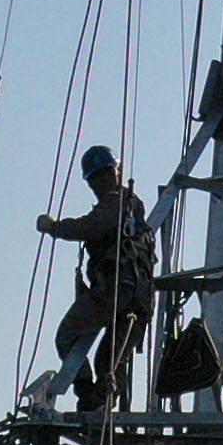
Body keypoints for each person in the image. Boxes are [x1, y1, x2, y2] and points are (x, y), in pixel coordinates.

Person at [38, 146, 155, 414]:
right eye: (97, 177)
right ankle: (100, 402)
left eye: (107, 173)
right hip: (139, 297)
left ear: (118, 172)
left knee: (67, 336)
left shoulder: (119, 203)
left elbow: (89, 227)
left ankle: (89, 393)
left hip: (117, 291)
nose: (103, 180)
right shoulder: (130, 207)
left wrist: (53, 227)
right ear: (90, 181)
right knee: (111, 359)